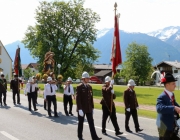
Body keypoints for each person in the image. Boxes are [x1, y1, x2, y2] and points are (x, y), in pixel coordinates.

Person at [76, 71, 102, 140]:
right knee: (81, 123)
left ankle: (94, 137)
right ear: (83, 79)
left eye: (88, 78)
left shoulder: (89, 87)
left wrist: (92, 107)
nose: (88, 79)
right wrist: (79, 109)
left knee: (91, 123)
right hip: (82, 108)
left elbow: (91, 98)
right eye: (87, 78)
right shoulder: (79, 87)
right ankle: (80, 136)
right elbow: (78, 99)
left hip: (88, 108)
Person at [156, 73, 180, 140]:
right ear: (167, 85)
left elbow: (174, 103)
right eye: (173, 84)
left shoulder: (171, 94)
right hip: (163, 126)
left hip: (172, 125)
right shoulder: (162, 96)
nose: (175, 85)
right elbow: (159, 108)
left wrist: (178, 107)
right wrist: (174, 108)